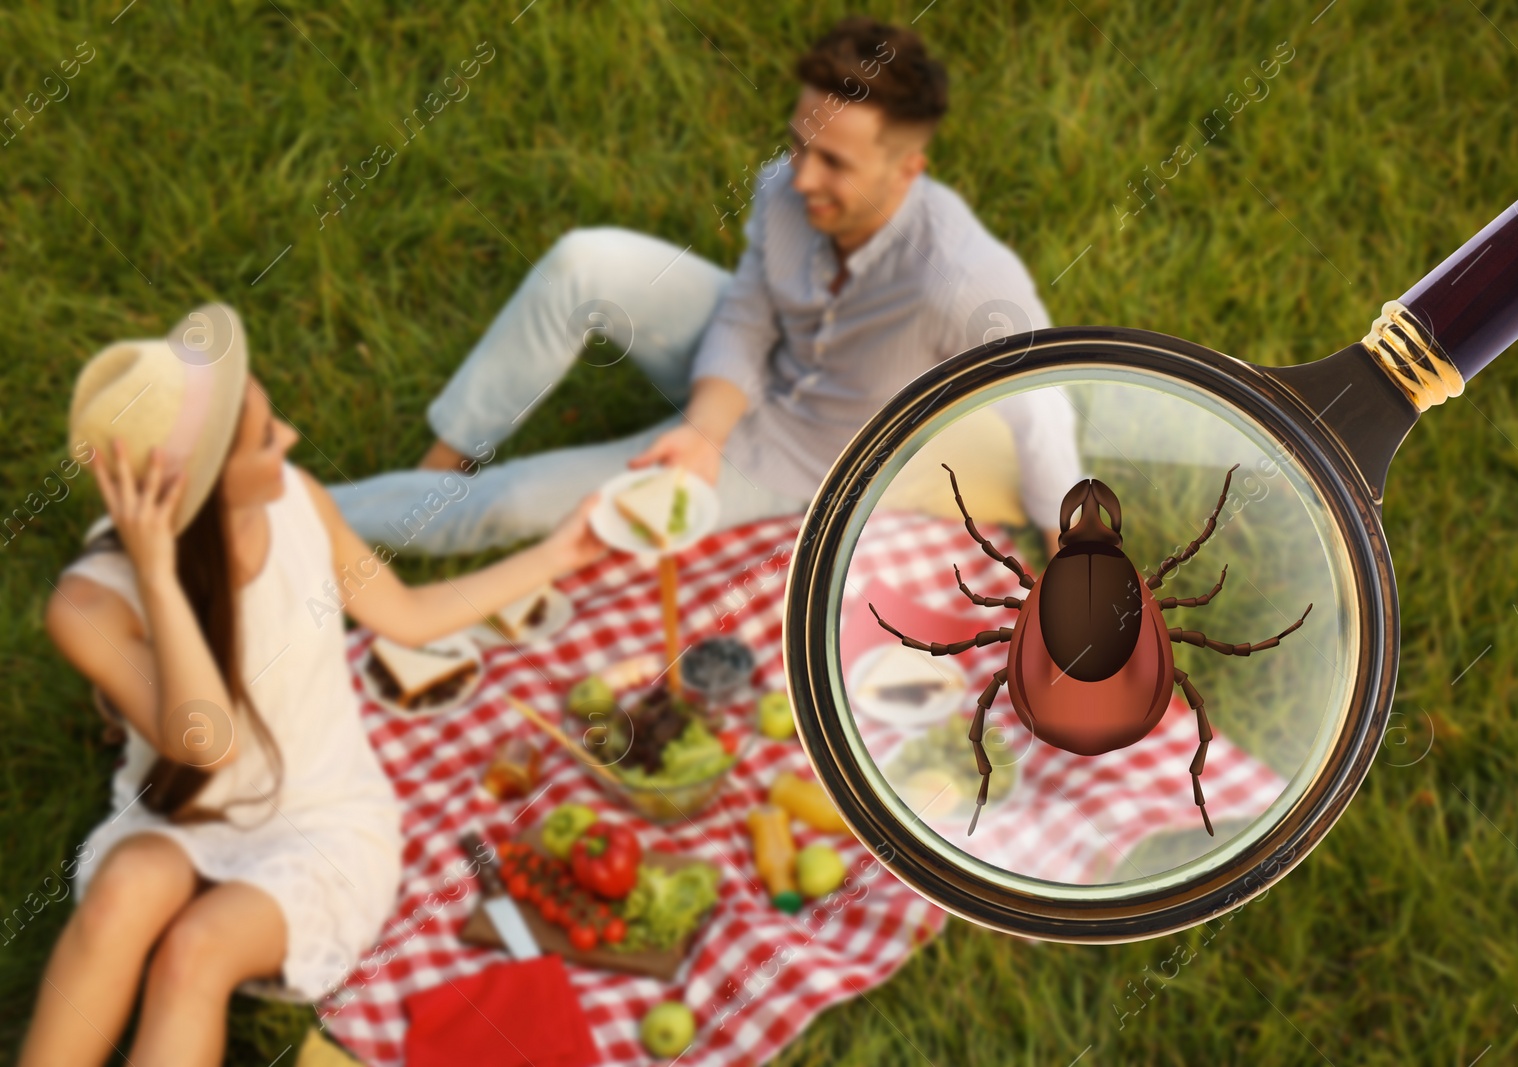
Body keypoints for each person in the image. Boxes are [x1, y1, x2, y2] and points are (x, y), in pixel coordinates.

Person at [19, 304, 607, 1067]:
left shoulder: (296, 500)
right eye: (266, 438)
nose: (291, 440)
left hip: (320, 821)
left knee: (193, 953)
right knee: (119, 898)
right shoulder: (91, 605)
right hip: (185, 813)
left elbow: (407, 614)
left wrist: (561, 553)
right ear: (196, 491)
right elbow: (207, 740)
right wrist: (160, 577)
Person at [330, 15, 1081, 556]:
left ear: (906, 169)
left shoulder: (959, 278)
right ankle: (438, 464)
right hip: (748, 390)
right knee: (585, 260)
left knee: (520, 503)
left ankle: (303, 522)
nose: (801, 177)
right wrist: (703, 426)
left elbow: (1043, 409)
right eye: (798, 143)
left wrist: (1071, 561)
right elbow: (750, 312)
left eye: (835, 165)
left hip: (801, 462)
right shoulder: (788, 188)